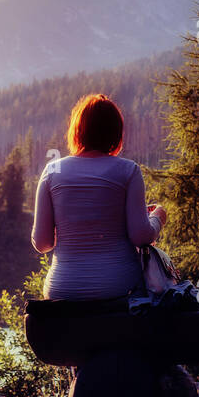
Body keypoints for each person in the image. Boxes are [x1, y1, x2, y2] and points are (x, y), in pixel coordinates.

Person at [30, 93, 167, 300]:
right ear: (116, 133)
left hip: (63, 290)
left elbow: (42, 243)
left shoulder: (53, 170)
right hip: (119, 288)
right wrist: (158, 217)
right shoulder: (128, 170)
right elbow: (140, 236)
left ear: (77, 130)